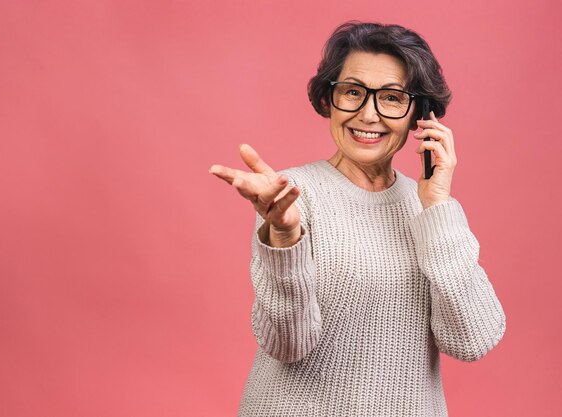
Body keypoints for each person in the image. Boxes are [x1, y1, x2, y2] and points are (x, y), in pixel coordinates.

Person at [208, 20, 506, 417]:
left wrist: (437, 204)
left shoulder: (433, 210)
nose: (368, 115)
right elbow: (288, 345)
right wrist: (284, 235)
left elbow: (472, 339)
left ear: (421, 112)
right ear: (329, 100)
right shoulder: (291, 194)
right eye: (353, 92)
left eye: (392, 97)